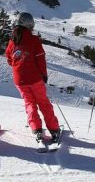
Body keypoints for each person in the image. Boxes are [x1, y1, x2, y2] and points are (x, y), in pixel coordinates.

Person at [5, 12, 60, 143]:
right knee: (43, 103)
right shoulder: (34, 40)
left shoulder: (12, 41)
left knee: (29, 103)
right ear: (29, 24)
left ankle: (36, 129)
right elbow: (41, 59)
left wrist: (18, 65)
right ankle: (54, 129)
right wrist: (44, 75)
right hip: (35, 78)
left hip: (20, 80)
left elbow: (9, 58)